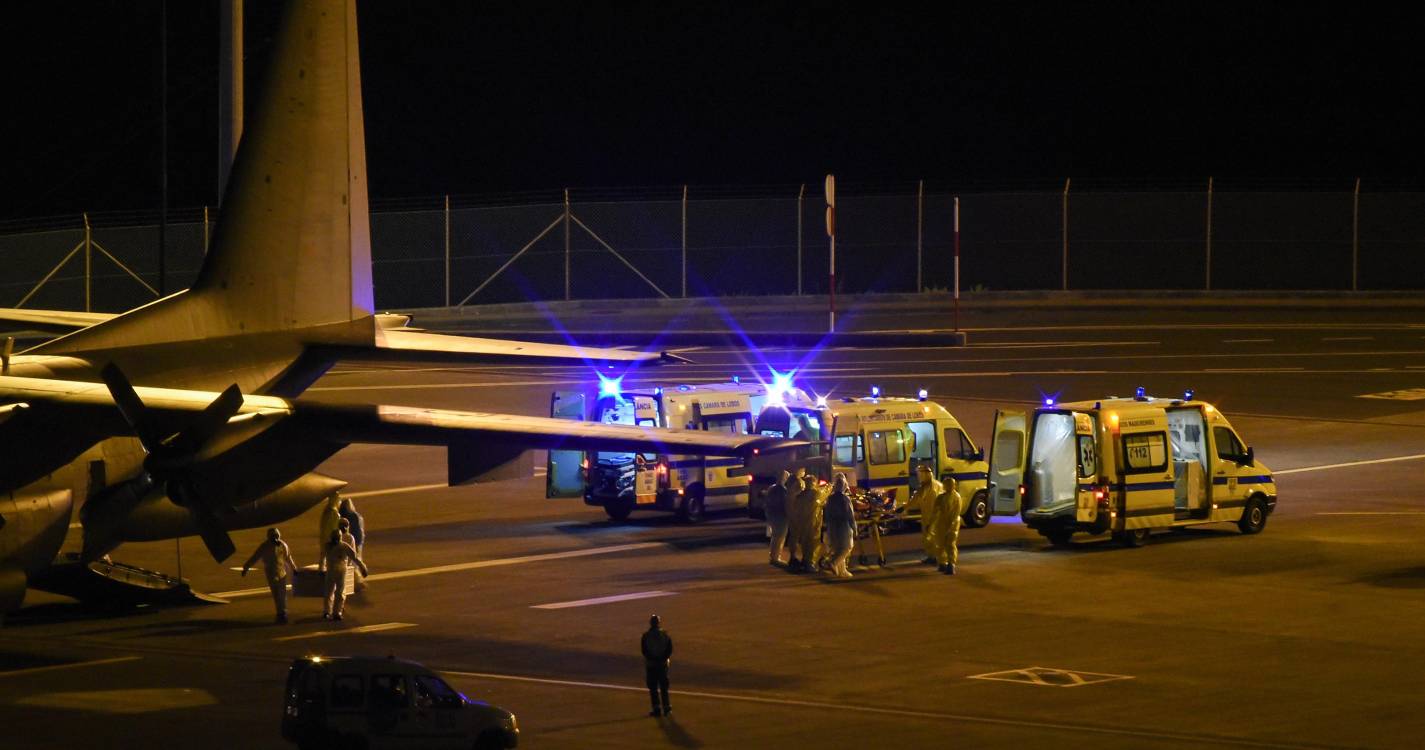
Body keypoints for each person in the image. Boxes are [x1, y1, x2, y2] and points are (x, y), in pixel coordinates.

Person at [241, 527, 297, 623]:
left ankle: (282, 613)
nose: (275, 538)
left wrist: (294, 568)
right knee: (276, 594)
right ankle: (280, 613)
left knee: (282, 594)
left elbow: (288, 557)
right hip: (270, 572)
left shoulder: (283, 545)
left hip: (281, 571)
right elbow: (255, 557)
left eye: (276, 536)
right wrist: (246, 567)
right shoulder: (265, 546)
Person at [321, 529, 368, 621]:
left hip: (339, 572)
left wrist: (362, 567)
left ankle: (335, 612)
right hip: (333, 571)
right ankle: (328, 611)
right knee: (331, 592)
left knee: (338, 593)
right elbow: (322, 558)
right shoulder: (330, 546)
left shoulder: (342, 546)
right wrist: (321, 568)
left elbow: (354, 557)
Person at [905, 464, 946, 566]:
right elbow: (914, 501)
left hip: (936, 517)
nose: (918, 477)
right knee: (926, 538)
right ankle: (931, 556)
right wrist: (903, 508)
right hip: (926, 517)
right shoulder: (922, 488)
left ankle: (941, 560)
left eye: (920, 474)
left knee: (935, 538)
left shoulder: (937, 487)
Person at [930, 477, 967, 574]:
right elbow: (935, 512)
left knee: (950, 544)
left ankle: (951, 564)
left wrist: (951, 525)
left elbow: (956, 513)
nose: (948, 486)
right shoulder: (940, 497)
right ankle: (942, 563)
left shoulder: (957, 497)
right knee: (940, 543)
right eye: (947, 484)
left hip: (952, 523)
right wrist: (931, 523)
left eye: (950, 484)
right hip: (941, 522)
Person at [823, 473, 857, 578]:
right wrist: (854, 527)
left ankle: (842, 571)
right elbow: (850, 515)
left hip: (832, 526)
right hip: (843, 526)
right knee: (846, 547)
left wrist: (827, 525)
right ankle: (833, 562)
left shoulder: (830, 498)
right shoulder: (844, 499)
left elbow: (826, 513)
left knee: (838, 547)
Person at [640, 614, 673, 717]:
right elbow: (669, 649)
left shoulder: (646, 636)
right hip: (662, 664)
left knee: (653, 687)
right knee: (664, 686)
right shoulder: (665, 634)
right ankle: (666, 707)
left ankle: (656, 708)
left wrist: (652, 658)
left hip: (651, 665)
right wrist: (662, 658)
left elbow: (644, 650)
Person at [798, 476, 828, 572]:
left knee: (805, 542)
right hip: (813, 522)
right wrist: (829, 486)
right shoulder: (816, 494)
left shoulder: (800, 495)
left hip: (802, 522)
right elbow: (825, 493)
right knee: (813, 542)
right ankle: (810, 563)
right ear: (814, 483)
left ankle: (805, 560)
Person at [764, 471, 791, 566]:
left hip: (772, 515)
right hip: (780, 516)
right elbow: (785, 504)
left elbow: (767, 503)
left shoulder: (771, 488)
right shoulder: (783, 490)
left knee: (775, 537)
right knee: (779, 537)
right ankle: (775, 557)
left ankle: (773, 556)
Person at [784, 470, 808, 571]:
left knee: (793, 535)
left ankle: (793, 556)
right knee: (801, 536)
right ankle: (803, 558)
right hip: (797, 512)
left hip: (790, 510)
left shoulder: (790, 480)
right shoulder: (799, 482)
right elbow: (803, 495)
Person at [316, 495, 342, 572]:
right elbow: (335, 527)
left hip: (324, 536)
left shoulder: (326, 510)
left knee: (323, 555)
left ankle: (321, 570)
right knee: (330, 557)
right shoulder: (334, 512)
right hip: (330, 538)